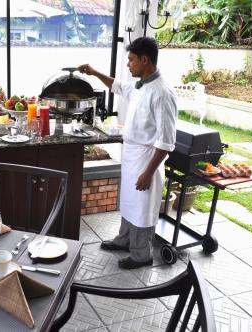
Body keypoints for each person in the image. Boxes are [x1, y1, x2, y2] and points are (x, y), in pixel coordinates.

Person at [78, 37, 177, 269]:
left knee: (142, 208)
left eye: (131, 60)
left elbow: (166, 141)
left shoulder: (162, 93)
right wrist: (94, 72)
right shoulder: (141, 84)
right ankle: (124, 240)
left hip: (147, 159)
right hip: (133, 156)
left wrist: (148, 173)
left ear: (145, 60)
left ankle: (142, 254)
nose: (128, 64)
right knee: (130, 202)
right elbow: (118, 86)